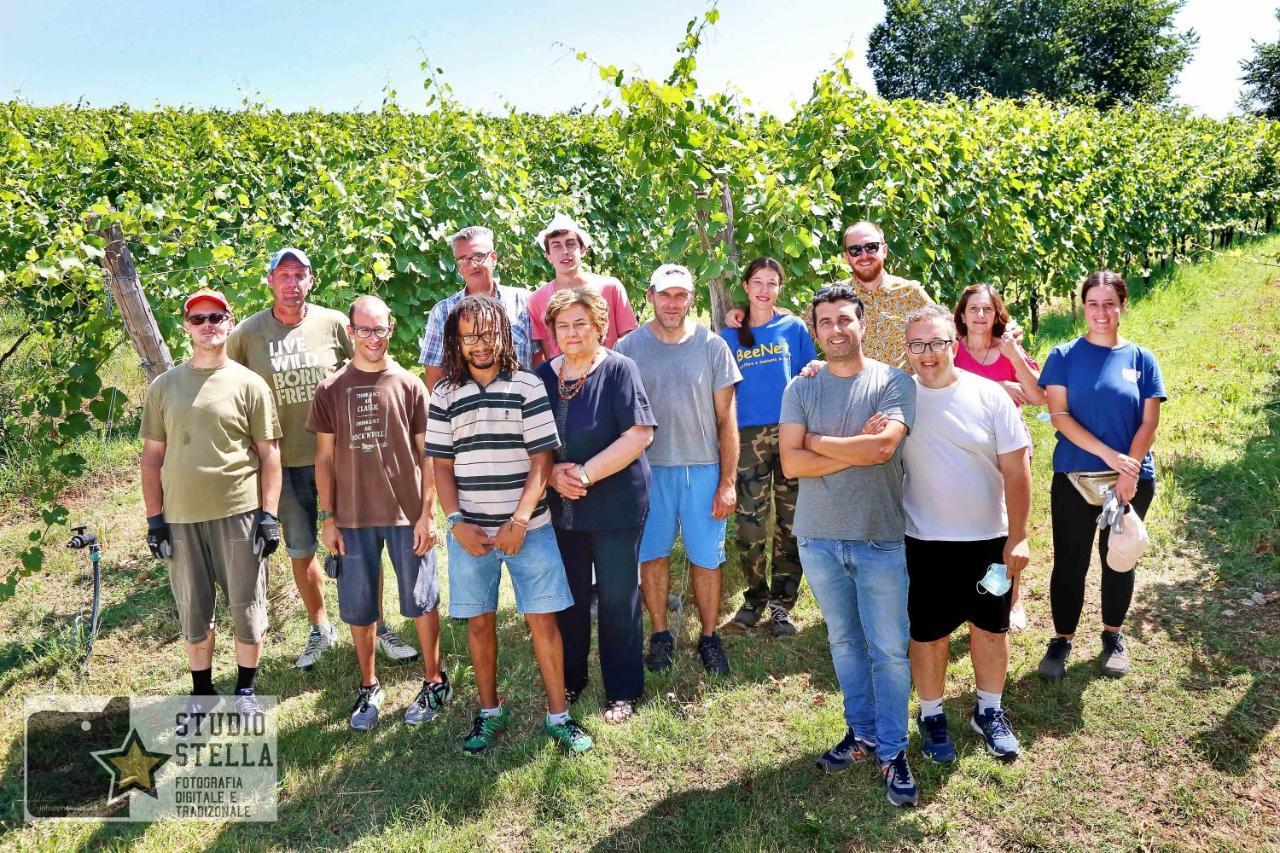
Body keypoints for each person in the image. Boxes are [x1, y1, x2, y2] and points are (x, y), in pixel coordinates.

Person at [228, 247, 419, 669]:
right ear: (270, 281)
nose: (292, 284)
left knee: (359, 544)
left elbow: (375, 364)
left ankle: (377, 624)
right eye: (283, 275)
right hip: (283, 459)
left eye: (299, 275)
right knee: (301, 547)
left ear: (310, 281)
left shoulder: (335, 324)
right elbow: (230, 386)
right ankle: (320, 628)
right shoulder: (247, 334)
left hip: (345, 458)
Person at [426, 295, 592, 754]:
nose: (480, 344)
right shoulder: (443, 395)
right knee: (479, 624)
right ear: (456, 342)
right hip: (471, 534)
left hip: (530, 527)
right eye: (469, 336)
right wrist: (455, 521)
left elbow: (542, 459)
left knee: (543, 619)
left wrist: (520, 519)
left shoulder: (527, 386)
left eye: (488, 333)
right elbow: (441, 466)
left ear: (504, 333)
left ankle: (559, 715)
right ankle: (488, 712)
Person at [778, 284, 919, 807]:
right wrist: (853, 450)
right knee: (843, 642)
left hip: (880, 537)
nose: (836, 329)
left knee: (887, 648)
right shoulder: (801, 387)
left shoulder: (893, 381)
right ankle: (860, 733)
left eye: (845, 319)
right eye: (826, 322)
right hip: (818, 539)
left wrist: (816, 442)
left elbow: (884, 447)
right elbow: (790, 465)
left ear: (862, 323)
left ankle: (894, 747)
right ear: (815, 331)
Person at [308, 296, 451, 730]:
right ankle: (369, 685)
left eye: (381, 329)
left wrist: (428, 514)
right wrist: (328, 516)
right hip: (352, 517)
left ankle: (434, 679)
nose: (374, 338)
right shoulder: (331, 389)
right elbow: (325, 459)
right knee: (358, 604)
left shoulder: (409, 385)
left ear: (392, 327)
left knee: (421, 600)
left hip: (406, 515)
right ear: (351, 332)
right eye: (364, 330)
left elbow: (429, 454)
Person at [899, 304, 1032, 763]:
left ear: (953, 344)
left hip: (989, 543)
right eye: (917, 345)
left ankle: (988, 712)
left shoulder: (990, 396)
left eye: (936, 342)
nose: (928, 353)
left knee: (991, 628)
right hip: (925, 544)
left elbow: (1016, 472)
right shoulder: (898, 399)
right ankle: (932, 715)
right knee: (928, 634)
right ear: (907, 352)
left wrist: (1018, 537)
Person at [141, 288, 282, 714]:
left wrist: (269, 516)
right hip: (181, 518)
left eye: (215, 318)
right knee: (194, 613)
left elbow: (269, 453)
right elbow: (151, 458)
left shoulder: (249, 383)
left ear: (229, 321)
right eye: (198, 318)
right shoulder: (164, 387)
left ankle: (245, 691)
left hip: (238, 513)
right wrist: (154, 520)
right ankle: (202, 692)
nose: (207, 326)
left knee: (246, 608)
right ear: (186, 325)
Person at [1036, 271, 1165, 680]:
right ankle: (1061, 640)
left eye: (1110, 303)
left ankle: (1112, 636)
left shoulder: (1142, 359)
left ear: (1122, 306)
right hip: (1075, 475)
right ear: (1083, 307)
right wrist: (1111, 456)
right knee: (1070, 561)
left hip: (1131, 479)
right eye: (1093, 303)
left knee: (1119, 558)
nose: (1102, 312)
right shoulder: (1063, 356)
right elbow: (1059, 416)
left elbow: (1148, 422)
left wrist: (1128, 469)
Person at [535, 287, 656, 723]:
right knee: (567, 596)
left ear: (599, 326)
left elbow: (639, 434)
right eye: (563, 325)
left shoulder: (620, 369)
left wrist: (582, 474)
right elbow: (528, 439)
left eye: (580, 323)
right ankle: (572, 677)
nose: (571, 332)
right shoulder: (543, 377)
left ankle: (622, 689)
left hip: (617, 505)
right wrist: (551, 475)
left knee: (617, 596)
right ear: (552, 331)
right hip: (562, 508)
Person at [616, 264, 742, 676]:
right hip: (649, 471)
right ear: (649, 296)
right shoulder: (628, 347)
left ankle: (708, 637)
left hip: (702, 469)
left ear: (691, 299)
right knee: (652, 556)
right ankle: (660, 635)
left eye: (681, 295)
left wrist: (727, 482)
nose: (672, 303)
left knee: (707, 558)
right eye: (665, 294)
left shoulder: (712, 346)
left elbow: (728, 421)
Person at [718, 258, 817, 637]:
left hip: (791, 433)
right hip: (746, 438)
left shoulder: (792, 328)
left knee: (791, 523)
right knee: (749, 524)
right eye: (757, 281)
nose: (764, 289)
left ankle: (782, 605)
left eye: (772, 283)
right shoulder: (729, 335)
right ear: (745, 286)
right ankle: (754, 598)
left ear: (780, 288)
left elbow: (810, 374)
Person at [952, 283, 1044, 632]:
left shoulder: (1008, 349)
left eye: (987, 309)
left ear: (997, 314)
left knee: (1009, 528)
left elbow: (1037, 396)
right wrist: (997, 389)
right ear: (961, 314)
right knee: (970, 527)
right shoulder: (953, 351)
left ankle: (1012, 599)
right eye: (973, 309)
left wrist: (1016, 356)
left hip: (1008, 451)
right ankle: (968, 596)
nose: (979, 315)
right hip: (964, 452)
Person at [726, 221, 929, 370]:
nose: (864, 255)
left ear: (884, 250)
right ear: (847, 257)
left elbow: (943, 332)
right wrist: (747, 313)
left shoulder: (911, 294)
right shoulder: (832, 296)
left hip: (899, 400)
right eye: (855, 250)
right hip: (848, 401)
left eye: (871, 247)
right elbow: (794, 324)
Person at [419, 225, 539, 390]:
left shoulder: (525, 302)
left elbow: (539, 359)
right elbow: (435, 374)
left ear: (494, 258)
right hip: (465, 413)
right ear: (459, 266)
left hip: (520, 409)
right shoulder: (443, 313)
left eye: (478, 256)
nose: (472, 264)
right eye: (463, 259)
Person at [527, 212, 639, 358]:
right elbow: (546, 354)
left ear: (583, 249)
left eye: (570, 244)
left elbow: (630, 342)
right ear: (548, 255)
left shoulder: (610, 288)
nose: (565, 251)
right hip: (562, 378)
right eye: (556, 246)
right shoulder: (537, 300)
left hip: (611, 376)